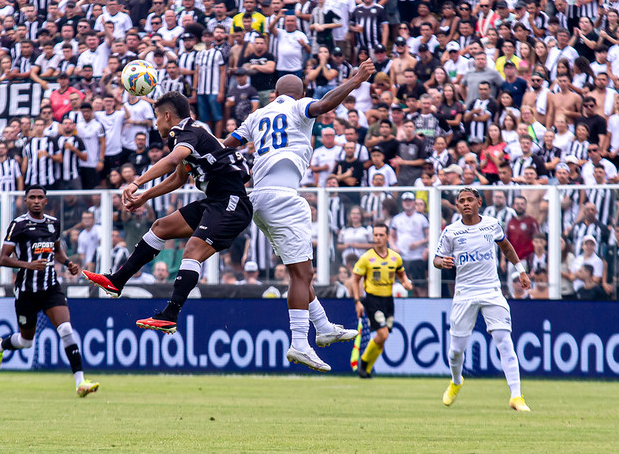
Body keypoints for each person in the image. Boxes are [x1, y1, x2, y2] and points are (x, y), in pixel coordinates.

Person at [224, 60, 375, 371]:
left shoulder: (256, 116)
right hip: (285, 198)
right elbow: (324, 104)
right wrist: (356, 80)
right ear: (300, 93)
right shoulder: (297, 106)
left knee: (299, 270)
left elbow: (228, 145)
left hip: (260, 199)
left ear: (273, 94)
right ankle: (299, 343)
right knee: (302, 274)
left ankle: (322, 327)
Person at [83, 92, 253, 335]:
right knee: (161, 227)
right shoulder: (191, 135)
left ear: (167, 115)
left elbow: (173, 160)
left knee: (192, 250)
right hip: (216, 201)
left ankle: (170, 315)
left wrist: (136, 183)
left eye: (156, 117)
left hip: (232, 203)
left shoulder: (187, 132)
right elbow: (178, 177)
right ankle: (117, 281)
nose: (155, 124)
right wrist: (145, 196)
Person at [0, 185, 99, 398]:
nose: (37, 201)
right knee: (26, 341)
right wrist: (28, 265)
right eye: (32, 197)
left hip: (50, 287)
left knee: (66, 329)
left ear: (46, 201)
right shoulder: (18, 225)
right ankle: (1, 345)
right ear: (25, 201)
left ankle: (80, 382)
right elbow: (3, 258)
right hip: (26, 291)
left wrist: (68, 263)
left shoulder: (53, 223)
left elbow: (56, 250)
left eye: (40, 197)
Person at [434, 187, 531, 412]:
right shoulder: (451, 231)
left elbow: (505, 246)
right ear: (457, 206)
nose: (466, 203)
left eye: (470, 200)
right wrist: (443, 263)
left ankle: (516, 396)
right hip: (464, 293)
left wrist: (521, 271)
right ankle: (456, 381)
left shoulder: (491, 224)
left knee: (505, 342)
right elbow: (436, 259)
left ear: (479, 202)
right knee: (456, 350)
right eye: (461, 201)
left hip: (491, 290)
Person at [351, 221, 412, 378]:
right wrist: (357, 301)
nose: (378, 238)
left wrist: (405, 282)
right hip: (372, 300)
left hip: (388, 301)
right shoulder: (366, 258)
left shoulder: (395, 258)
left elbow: (400, 273)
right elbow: (355, 279)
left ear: (387, 236)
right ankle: (364, 362)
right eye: (375, 235)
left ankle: (366, 370)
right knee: (383, 334)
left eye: (381, 235)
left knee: (382, 339)